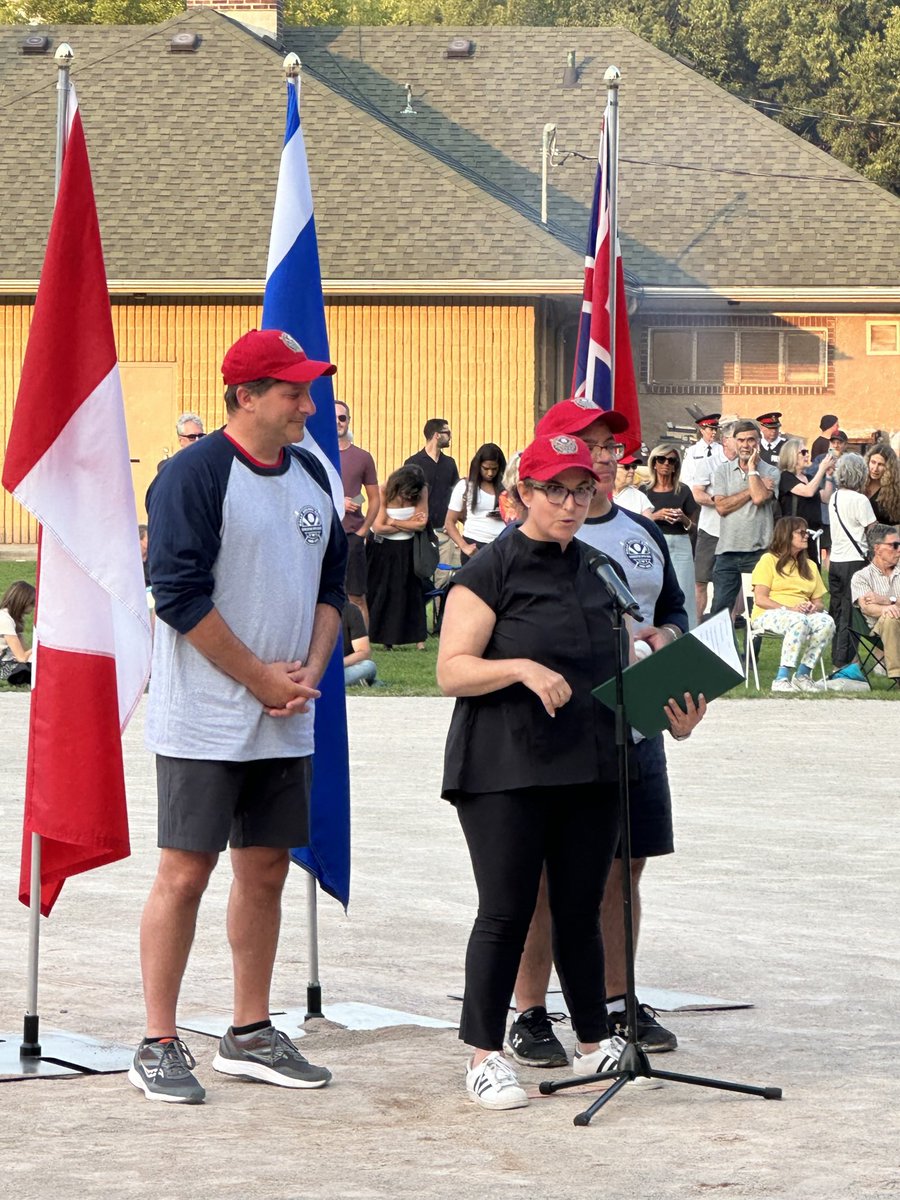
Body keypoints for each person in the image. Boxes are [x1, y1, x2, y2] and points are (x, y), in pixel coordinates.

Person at [133, 328, 347, 1106]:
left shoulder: (314, 472)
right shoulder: (191, 474)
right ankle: (158, 1040)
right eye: (291, 389)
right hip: (208, 717)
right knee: (185, 872)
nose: (307, 401)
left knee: (264, 869)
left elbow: (332, 587)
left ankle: (248, 1031)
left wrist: (311, 671)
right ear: (246, 396)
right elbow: (178, 595)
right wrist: (258, 678)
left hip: (286, 709)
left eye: (307, 387)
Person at [508, 403, 702, 1066]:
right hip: (560, 726)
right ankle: (529, 1012)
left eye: (614, 445)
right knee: (540, 876)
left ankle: (619, 1003)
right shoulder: (536, 540)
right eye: (591, 444)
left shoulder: (642, 531)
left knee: (628, 866)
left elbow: (670, 608)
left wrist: (667, 645)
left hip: (636, 720)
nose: (608, 454)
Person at [437, 433, 626, 1111]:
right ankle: (485, 1054)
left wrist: (674, 704)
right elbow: (450, 670)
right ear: (521, 494)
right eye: (556, 490)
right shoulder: (492, 568)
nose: (572, 504)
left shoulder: (601, 569)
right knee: (508, 910)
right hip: (505, 767)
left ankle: (594, 1040)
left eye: (583, 490)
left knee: (580, 910)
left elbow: (620, 668)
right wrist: (520, 667)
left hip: (591, 763)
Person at [750, 517, 834, 693]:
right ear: (786, 535)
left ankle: (803, 674)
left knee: (827, 622)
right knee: (798, 620)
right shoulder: (768, 560)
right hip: (769, 613)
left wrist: (813, 608)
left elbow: (819, 602)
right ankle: (781, 678)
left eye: (807, 532)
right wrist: (789, 609)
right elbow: (760, 599)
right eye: (801, 533)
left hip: (801, 615)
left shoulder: (810, 565)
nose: (806, 536)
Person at [710, 420, 780, 618]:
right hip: (727, 551)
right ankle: (721, 650)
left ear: (758, 442)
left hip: (758, 552)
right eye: (741, 440)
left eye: (751, 440)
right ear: (734, 442)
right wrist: (753, 487)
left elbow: (759, 498)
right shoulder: (722, 471)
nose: (745, 445)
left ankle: (750, 651)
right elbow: (722, 507)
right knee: (719, 611)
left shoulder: (772, 472)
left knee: (756, 613)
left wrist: (752, 470)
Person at [683, 416, 739, 622]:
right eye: (738, 439)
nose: (743, 443)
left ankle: (728, 629)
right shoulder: (708, 462)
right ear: (727, 440)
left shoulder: (747, 465)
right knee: (700, 582)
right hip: (711, 530)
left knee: (732, 583)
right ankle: (696, 627)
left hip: (736, 533)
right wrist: (719, 503)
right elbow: (697, 493)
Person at [367, 464, 429, 649]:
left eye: (413, 495)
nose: (409, 498)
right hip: (381, 547)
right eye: (406, 493)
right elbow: (378, 526)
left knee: (408, 593)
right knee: (381, 592)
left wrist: (393, 521)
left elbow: (421, 525)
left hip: (407, 547)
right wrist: (409, 522)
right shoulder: (384, 489)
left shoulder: (422, 490)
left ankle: (417, 639)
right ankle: (384, 638)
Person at [828, 453, 876, 675]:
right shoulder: (861, 500)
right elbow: (873, 531)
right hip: (855, 562)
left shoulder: (835, 497)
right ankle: (846, 663)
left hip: (836, 561)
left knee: (838, 612)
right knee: (851, 614)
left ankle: (837, 659)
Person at [640, 443, 699, 628]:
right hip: (653, 543)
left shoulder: (684, 490)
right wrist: (656, 516)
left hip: (680, 543)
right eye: (661, 459)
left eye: (671, 460)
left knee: (685, 591)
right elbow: (637, 523)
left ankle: (687, 634)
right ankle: (653, 630)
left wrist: (682, 518)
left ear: (676, 466)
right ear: (654, 463)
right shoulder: (644, 491)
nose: (666, 464)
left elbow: (693, 527)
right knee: (652, 590)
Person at [336, 399, 380, 625]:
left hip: (353, 534)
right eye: (333, 417)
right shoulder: (316, 454)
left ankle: (363, 650)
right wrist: (337, 501)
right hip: (324, 534)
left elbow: (374, 497)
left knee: (356, 595)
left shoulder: (362, 457)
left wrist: (363, 531)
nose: (337, 422)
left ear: (348, 421)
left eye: (342, 417)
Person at [851, 524, 900, 681]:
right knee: (890, 618)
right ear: (877, 548)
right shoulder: (861, 577)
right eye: (894, 545)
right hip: (878, 628)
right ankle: (897, 675)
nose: (899, 549)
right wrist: (888, 609)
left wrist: (887, 600)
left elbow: (878, 603)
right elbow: (867, 608)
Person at [444, 443, 507, 561]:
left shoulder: (507, 487)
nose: (490, 473)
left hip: (502, 545)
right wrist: (464, 546)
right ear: (478, 466)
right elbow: (449, 522)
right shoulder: (465, 486)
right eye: (486, 468)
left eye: (494, 469)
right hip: (474, 543)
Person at [776, 439, 834, 564]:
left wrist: (828, 476)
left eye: (807, 452)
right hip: (795, 535)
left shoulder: (808, 477)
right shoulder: (786, 477)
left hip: (812, 533)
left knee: (813, 570)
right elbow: (808, 491)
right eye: (803, 452)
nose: (807, 455)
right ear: (792, 455)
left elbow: (826, 497)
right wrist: (821, 469)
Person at [404, 418, 459, 539]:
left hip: (444, 531)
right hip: (419, 533)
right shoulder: (412, 463)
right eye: (448, 433)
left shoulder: (450, 463)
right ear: (437, 435)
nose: (450, 437)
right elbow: (405, 496)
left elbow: (456, 496)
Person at [0, 580, 35, 686]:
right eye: (32, 603)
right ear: (22, 602)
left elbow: (23, 652)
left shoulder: (12, 619)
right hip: (4, 667)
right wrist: (37, 648)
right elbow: (22, 658)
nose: (33, 608)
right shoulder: (5, 619)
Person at [342, 600, 379, 687]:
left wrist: (337, 664)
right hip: (312, 668)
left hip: (341, 667)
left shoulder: (350, 610)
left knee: (369, 666)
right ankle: (358, 681)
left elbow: (363, 652)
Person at [864, 443, 900, 525]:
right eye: (873, 462)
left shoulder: (895, 491)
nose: (875, 468)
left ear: (888, 467)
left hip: (882, 535)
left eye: (880, 464)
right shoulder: (859, 483)